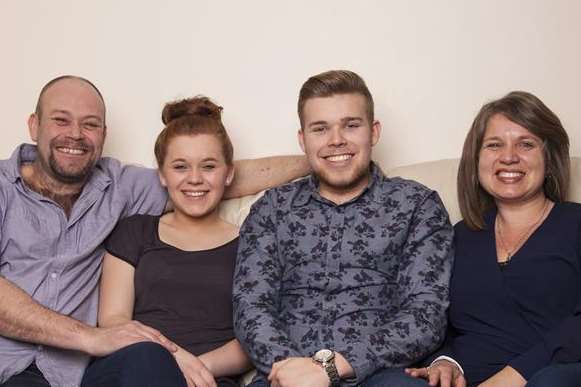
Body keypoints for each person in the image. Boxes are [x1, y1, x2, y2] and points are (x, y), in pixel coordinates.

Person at [0, 75, 309, 387]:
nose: (76, 134)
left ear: (104, 134)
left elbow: (221, 177)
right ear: (34, 125)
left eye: (90, 124)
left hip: (78, 374)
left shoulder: (122, 188)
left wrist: (324, 159)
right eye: (61, 120)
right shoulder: (4, 189)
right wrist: (98, 339)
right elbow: (116, 322)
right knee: (148, 359)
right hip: (14, 363)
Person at [233, 70, 454, 387]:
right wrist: (292, 372)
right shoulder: (272, 208)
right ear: (303, 139)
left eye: (351, 125)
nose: (336, 140)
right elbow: (251, 307)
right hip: (286, 375)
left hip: (381, 376)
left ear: (373, 131)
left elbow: (425, 314)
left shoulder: (417, 205)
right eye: (320, 129)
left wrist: (331, 369)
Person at [406, 91, 581, 386]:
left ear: (549, 160)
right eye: (494, 145)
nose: (509, 157)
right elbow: (432, 317)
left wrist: (515, 376)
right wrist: (444, 361)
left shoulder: (575, 223)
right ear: (477, 162)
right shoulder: (459, 235)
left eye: (526, 144)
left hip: (555, 374)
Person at [82, 96, 252, 387]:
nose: (195, 179)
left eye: (209, 166)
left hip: (207, 377)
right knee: (148, 360)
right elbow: (113, 319)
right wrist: (172, 358)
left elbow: (254, 338)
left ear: (229, 173)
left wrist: (197, 368)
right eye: (180, 167)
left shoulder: (251, 245)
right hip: (129, 365)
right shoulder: (134, 231)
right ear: (161, 175)